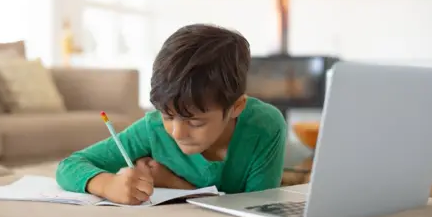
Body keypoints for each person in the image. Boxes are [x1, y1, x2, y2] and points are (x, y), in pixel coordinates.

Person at [55, 24, 287, 205]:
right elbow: (70, 166)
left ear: (236, 107)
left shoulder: (265, 126)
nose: (177, 132)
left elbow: (257, 208)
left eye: (194, 122)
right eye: (167, 116)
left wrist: (174, 184)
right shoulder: (153, 128)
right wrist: (107, 185)